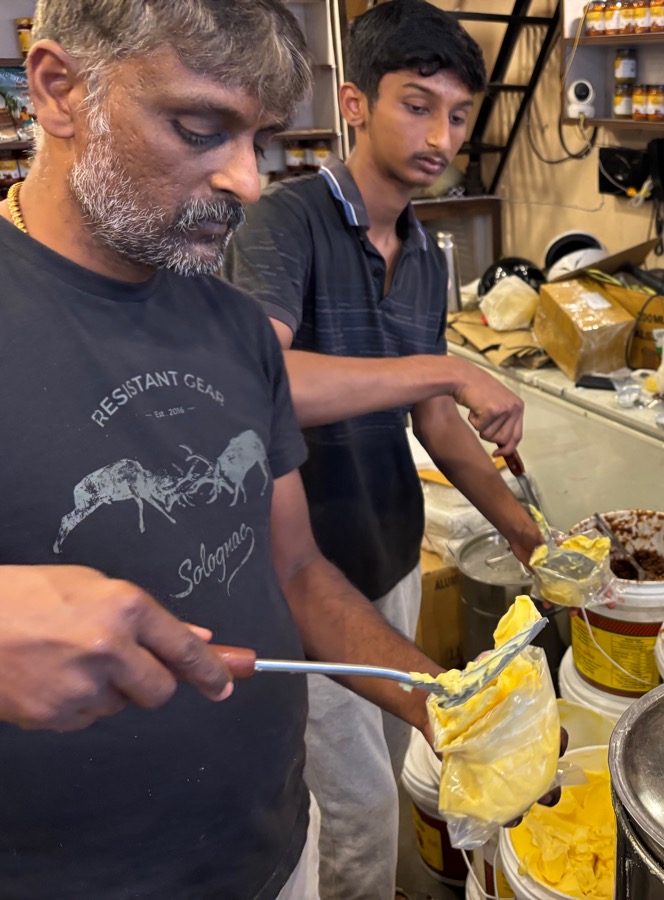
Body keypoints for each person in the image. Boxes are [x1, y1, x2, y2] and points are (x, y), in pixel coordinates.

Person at [0, 3, 464, 897]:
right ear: (59, 90)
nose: (248, 181)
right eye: (199, 129)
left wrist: (445, 699)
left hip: (275, 850)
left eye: (261, 139)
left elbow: (296, 569)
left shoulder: (233, 325)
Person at [223, 3, 542, 897]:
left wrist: (530, 538)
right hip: (305, 576)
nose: (442, 137)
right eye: (417, 105)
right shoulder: (285, 222)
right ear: (356, 103)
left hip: (390, 553)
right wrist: (446, 367)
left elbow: (434, 419)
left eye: (458, 115)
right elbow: (261, 381)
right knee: (354, 810)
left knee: (395, 770)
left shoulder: (426, 253)